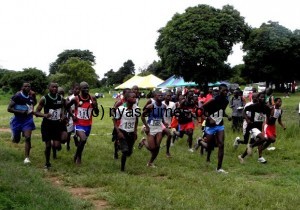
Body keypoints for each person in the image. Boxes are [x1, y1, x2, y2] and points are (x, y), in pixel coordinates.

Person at [200, 84, 232, 173]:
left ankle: (219, 168)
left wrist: (227, 116)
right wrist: (209, 118)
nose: (225, 92)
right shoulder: (213, 100)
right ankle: (200, 141)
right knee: (209, 146)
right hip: (210, 126)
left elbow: (221, 112)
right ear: (219, 90)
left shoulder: (226, 101)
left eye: (226, 90)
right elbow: (202, 109)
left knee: (221, 145)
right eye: (223, 90)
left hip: (220, 125)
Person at [35, 82, 68, 169]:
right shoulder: (44, 98)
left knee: (57, 146)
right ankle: (47, 163)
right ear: (49, 88)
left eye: (56, 87)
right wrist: (45, 115)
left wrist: (62, 115)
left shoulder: (60, 98)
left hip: (56, 124)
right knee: (48, 145)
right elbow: (36, 112)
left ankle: (53, 150)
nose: (55, 89)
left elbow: (63, 107)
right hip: (47, 125)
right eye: (53, 87)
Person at [66, 81, 99, 165]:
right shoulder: (76, 99)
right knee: (83, 139)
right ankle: (78, 158)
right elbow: (67, 106)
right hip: (78, 123)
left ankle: (76, 155)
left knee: (82, 142)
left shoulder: (92, 98)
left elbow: (97, 113)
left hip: (88, 124)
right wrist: (72, 116)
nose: (86, 89)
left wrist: (95, 106)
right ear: (80, 89)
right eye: (84, 88)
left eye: (87, 87)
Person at [238, 92, 271, 164]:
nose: (262, 98)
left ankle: (242, 156)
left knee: (257, 141)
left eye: (263, 97)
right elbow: (244, 111)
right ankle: (251, 147)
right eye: (261, 97)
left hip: (259, 127)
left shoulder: (266, 108)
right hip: (252, 126)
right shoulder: (253, 106)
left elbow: (268, 118)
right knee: (263, 139)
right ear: (258, 98)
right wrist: (247, 119)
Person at [7, 82, 36, 164]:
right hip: (17, 120)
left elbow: (33, 105)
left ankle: (27, 158)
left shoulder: (30, 98)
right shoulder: (17, 96)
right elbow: (9, 109)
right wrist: (20, 111)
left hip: (27, 120)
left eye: (29, 86)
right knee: (16, 140)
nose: (27, 87)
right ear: (22, 88)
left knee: (27, 137)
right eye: (25, 86)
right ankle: (13, 132)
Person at [112, 91, 139, 171]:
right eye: (133, 97)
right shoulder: (121, 109)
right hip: (122, 131)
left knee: (129, 152)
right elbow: (114, 120)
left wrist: (135, 131)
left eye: (135, 97)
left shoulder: (136, 109)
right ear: (127, 99)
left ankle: (119, 146)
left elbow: (136, 120)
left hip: (131, 133)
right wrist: (119, 132)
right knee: (125, 150)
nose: (135, 99)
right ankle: (122, 169)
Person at [141, 91, 166, 167]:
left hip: (158, 127)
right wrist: (146, 126)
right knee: (152, 148)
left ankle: (150, 163)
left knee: (157, 147)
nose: (161, 96)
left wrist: (164, 123)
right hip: (151, 128)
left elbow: (161, 116)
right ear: (155, 96)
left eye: (162, 95)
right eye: (159, 95)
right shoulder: (151, 106)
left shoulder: (164, 106)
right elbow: (142, 116)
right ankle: (144, 141)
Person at [65, 84, 80, 150]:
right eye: (76, 89)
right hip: (71, 117)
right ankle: (68, 144)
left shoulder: (81, 98)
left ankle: (75, 137)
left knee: (78, 130)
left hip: (79, 117)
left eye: (78, 89)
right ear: (73, 90)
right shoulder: (69, 98)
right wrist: (71, 115)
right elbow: (67, 108)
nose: (77, 90)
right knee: (69, 133)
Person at [162, 91, 176, 157]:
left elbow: (173, 113)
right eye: (167, 95)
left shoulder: (173, 104)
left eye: (170, 96)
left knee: (169, 135)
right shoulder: (161, 103)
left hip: (168, 123)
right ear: (164, 96)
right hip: (160, 123)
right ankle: (144, 142)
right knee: (157, 141)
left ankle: (167, 152)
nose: (169, 97)